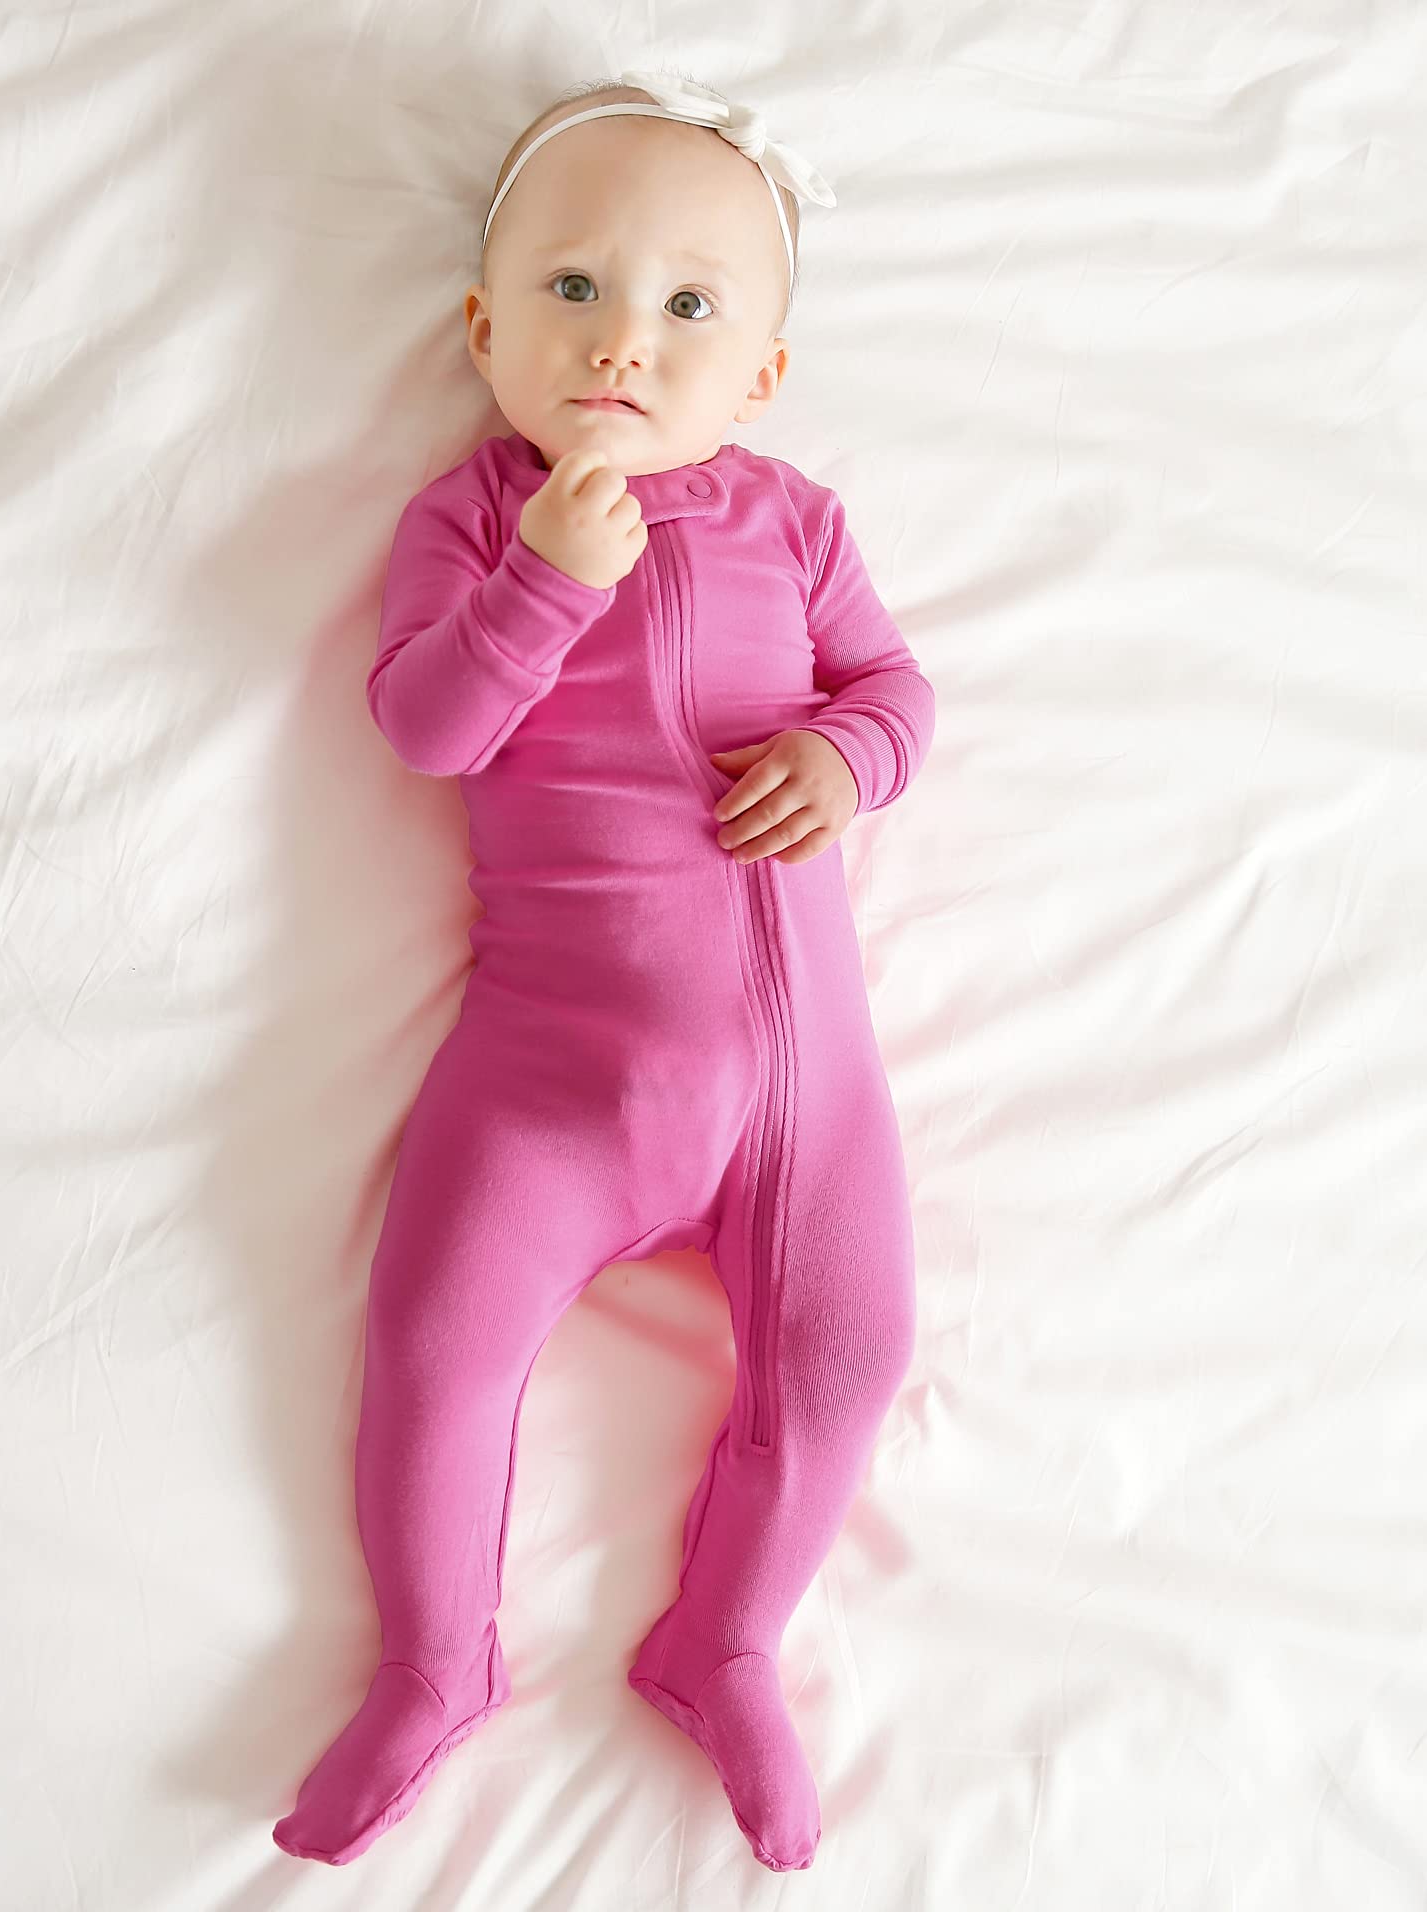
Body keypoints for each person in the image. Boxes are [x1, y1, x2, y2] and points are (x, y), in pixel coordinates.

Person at [272, 68, 936, 1875]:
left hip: (802, 1100)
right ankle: (434, 1664)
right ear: (487, 328)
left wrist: (849, 759)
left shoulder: (795, 522)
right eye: (572, 289)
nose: (623, 338)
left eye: (688, 306)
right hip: (549, 1079)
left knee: (852, 1350)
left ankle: (725, 1642)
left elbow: (894, 689)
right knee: (434, 1343)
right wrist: (545, 583)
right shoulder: (473, 519)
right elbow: (426, 726)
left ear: (761, 376)